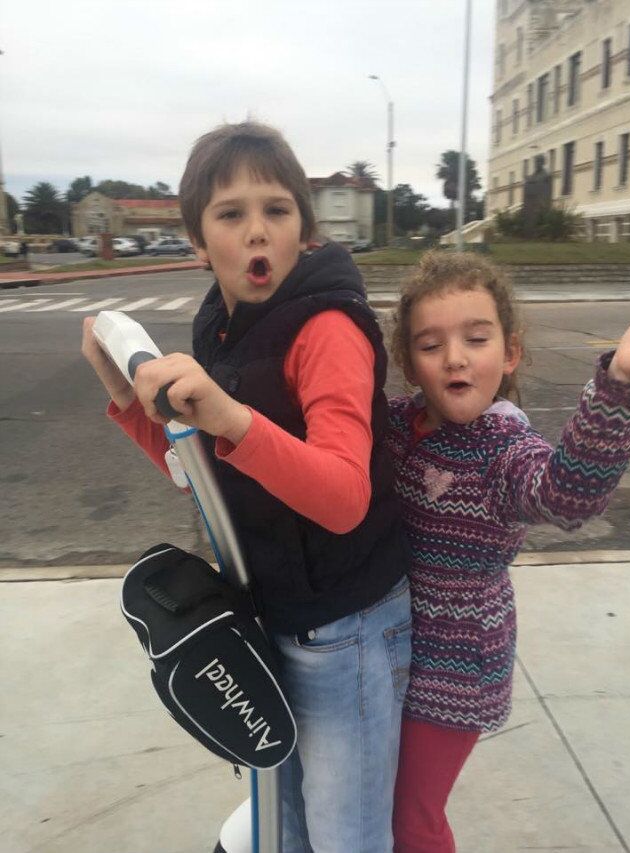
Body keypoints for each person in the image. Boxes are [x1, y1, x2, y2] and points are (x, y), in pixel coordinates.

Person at [81, 121, 412, 853]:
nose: (257, 230)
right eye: (231, 214)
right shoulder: (225, 329)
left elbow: (343, 497)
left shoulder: (327, 329)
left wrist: (231, 416)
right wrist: (127, 395)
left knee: (345, 836)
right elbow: (204, 474)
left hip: (346, 628)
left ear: (304, 230)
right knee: (282, 825)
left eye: (276, 210)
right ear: (199, 243)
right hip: (275, 616)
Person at [386, 251, 630, 853]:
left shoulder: (502, 448)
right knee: (381, 797)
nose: (455, 357)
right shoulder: (396, 423)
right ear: (410, 365)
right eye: (431, 345)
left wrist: (623, 383)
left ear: (510, 353)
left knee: (413, 817)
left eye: (476, 338)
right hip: (393, 649)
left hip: (457, 667)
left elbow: (565, 496)